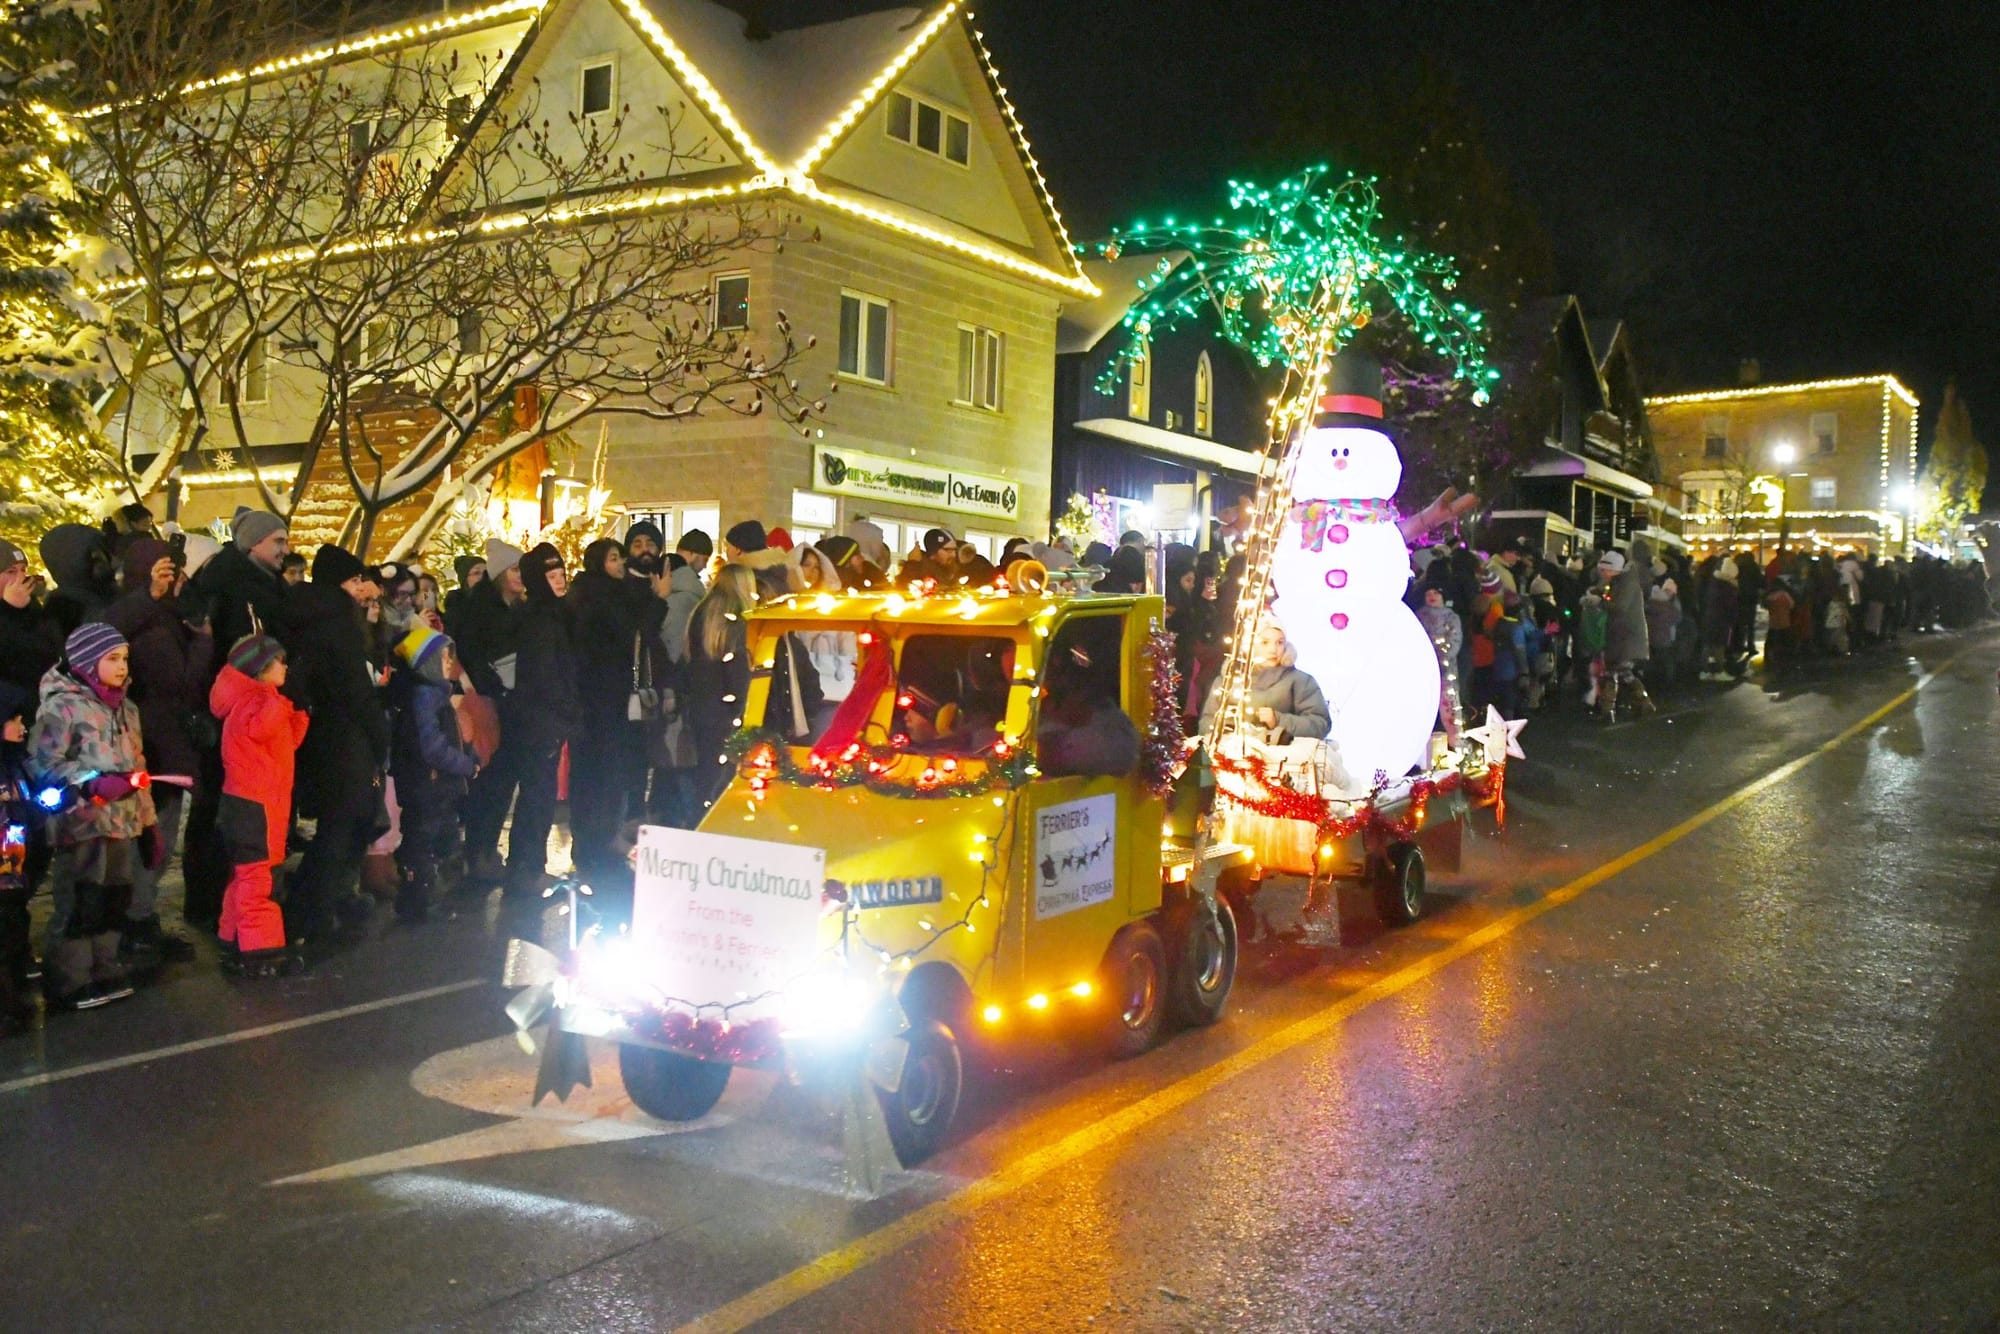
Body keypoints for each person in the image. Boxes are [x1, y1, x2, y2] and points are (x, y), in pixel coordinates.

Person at [31, 623, 158, 1010]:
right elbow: (43, 763)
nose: (122, 667)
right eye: (112, 659)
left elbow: (138, 766)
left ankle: (104, 965)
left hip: (122, 822)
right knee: (81, 901)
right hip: (81, 825)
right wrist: (90, 783)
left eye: (125, 658)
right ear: (88, 661)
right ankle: (69, 978)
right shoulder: (62, 707)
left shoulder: (126, 709)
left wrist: (149, 822)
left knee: (114, 896)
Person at [104, 536, 212, 966]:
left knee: (157, 837)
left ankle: (140, 918)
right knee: (153, 838)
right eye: (169, 573)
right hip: (156, 746)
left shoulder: (161, 617)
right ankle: (137, 921)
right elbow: (181, 681)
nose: (178, 581)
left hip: (162, 744)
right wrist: (203, 641)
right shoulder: (146, 624)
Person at [287, 545, 389, 949]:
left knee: (340, 825)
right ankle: (312, 913)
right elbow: (353, 690)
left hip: (325, 737)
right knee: (341, 828)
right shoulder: (337, 624)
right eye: (357, 580)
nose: (365, 589)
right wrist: (380, 735)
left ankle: (320, 906)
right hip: (345, 740)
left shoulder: (315, 618)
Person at [209, 634, 307, 977]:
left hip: (261, 805)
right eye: (280, 661)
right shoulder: (256, 701)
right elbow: (262, 729)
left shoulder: (263, 700)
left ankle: (233, 938)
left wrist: (297, 715)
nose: (286, 667)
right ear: (261, 668)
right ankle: (260, 953)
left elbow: (280, 744)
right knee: (258, 878)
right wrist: (283, 704)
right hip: (254, 807)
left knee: (247, 876)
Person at [387, 625, 477, 922]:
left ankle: (424, 894)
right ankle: (417, 898)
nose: (449, 662)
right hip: (426, 783)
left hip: (434, 785)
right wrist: (464, 764)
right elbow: (433, 746)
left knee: (434, 836)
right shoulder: (425, 696)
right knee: (422, 838)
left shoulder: (434, 693)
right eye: (443, 657)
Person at [504, 542, 579, 895]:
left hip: (544, 720)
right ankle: (527, 870)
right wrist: (563, 711)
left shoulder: (550, 615)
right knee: (537, 797)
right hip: (540, 722)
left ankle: (528, 868)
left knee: (539, 796)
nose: (560, 581)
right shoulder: (539, 620)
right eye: (551, 576)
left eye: (561, 573)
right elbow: (545, 676)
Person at [566, 538, 641, 877]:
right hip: (599, 698)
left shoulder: (598, 594)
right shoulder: (600, 597)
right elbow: (623, 632)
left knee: (596, 772)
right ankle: (596, 838)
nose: (621, 564)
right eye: (613, 558)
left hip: (601, 697)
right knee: (601, 771)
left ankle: (593, 838)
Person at [460, 540, 529, 885]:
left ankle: (486, 848)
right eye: (515, 569)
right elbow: (472, 653)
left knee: (504, 782)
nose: (521, 576)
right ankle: (478, 850)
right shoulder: (482, 610)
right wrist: (495, 686)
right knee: (491, 781)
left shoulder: (519, 609)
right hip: (491, 701)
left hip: (512, 700)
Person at [683, 564, 756, 811]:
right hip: (727, 711)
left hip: (700, 707)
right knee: (723, 777)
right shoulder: (738, 618)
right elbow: (738, 671)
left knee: (705, 773)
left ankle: (699, 820)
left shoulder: (700, 612)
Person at [1198, 621, 1330, 744]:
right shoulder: (1228, 681)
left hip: (1284, 760)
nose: (1273, 649)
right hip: (1232, 755)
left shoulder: (1301, 681)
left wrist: (1278, 720)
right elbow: (1207, 721)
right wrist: (1228, 731)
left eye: (1280, 642)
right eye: (1265, 642)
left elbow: (1320, 724)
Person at [0, 683, 38, 1033]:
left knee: (13, 930)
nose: (22, 726)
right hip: (4, 873)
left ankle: (14, 997)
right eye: (14, 719)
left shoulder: (16, 763)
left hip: (13, 870)